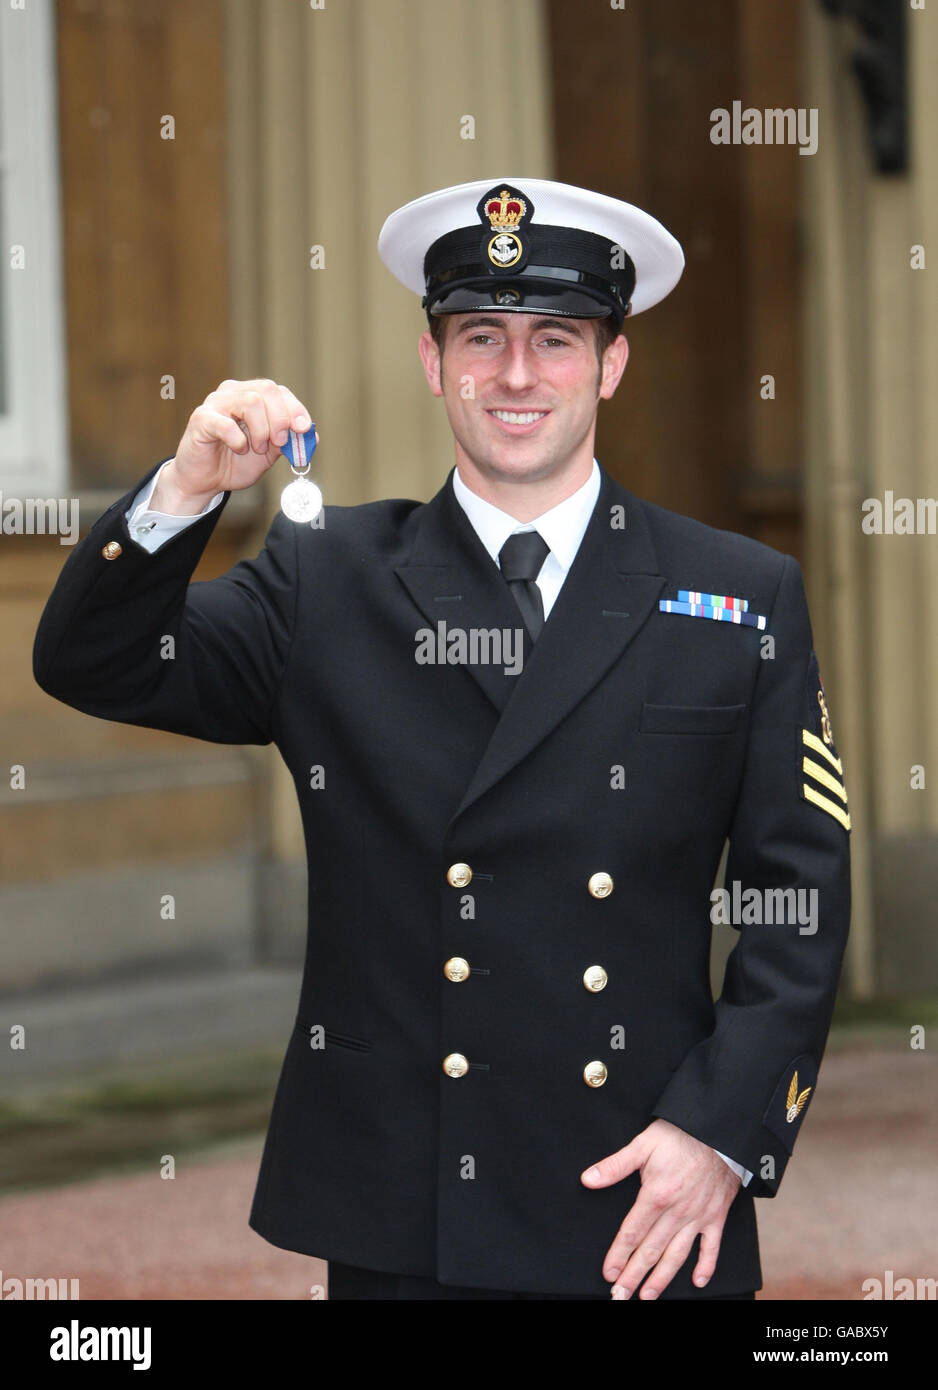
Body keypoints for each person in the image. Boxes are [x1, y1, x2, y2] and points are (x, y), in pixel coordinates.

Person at [33, 177, 851, 1301]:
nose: (516, 376)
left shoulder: (734, 592)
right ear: (432, 362)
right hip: (409, 1208)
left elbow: (795, 896)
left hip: (640, 1196)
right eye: (481, 336)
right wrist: (185, 492)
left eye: (555, 338)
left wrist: (717, 1134)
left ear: (609, 363)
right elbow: (94, 662)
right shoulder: (327, 582)